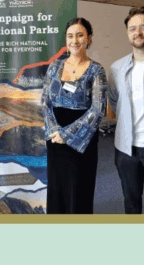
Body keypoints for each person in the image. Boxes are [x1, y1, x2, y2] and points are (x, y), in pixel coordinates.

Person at [42, 17, 106, 214]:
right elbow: (45, 102)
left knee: (79, 191)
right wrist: (54, 131)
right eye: (70, 36)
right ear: (66, 39)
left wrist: (67, 135)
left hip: (82, 142)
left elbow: (98, 110)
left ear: (89, 38)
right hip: (55, 140)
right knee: (57, 190)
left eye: (80, 35)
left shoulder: (97, 71)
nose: (75, 40)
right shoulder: (53, 67)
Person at [108, 6, 144, 214]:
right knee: (131, 203)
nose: (138, 33)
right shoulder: (116, 68)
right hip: (126, 148)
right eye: (132, 29)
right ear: (127, 32)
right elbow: (113, 101)